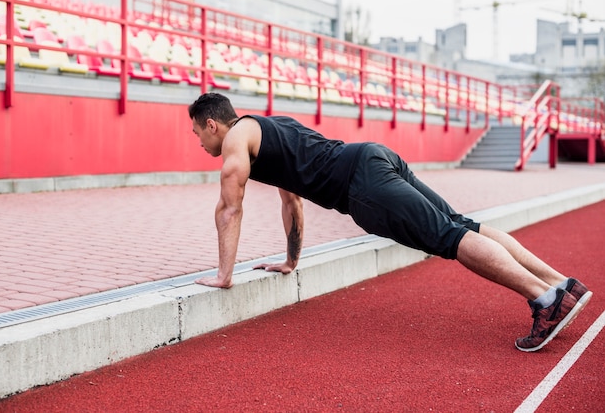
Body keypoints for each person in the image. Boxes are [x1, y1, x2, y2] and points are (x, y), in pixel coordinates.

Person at [188, 92, 592, 352]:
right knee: (462, 224)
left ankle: (545, 298)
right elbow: (292, 201)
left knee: (449, 237)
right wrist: (292, 261)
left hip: (361, 185)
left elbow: (229, 208)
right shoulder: (268, 127)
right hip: (374, 156)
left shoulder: (236, 140)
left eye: (197, 134)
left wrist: (224, 276)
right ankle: (561, 284)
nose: (199, 143)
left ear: (213, 125)